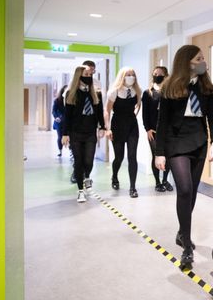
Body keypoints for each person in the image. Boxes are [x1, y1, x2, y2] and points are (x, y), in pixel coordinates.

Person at [155, 45, 213, 267]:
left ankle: (183, 232)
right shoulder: (169, 87)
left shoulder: (206, 87)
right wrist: (159, 153)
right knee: (183, 188)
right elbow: (161, 123)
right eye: (199, 59)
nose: (204, 62)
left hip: (199, 142)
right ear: (186, 62)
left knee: (191, 192)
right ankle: (187, 245)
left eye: (203, 58)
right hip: (175, 143)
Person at [61, 65, 106, 203]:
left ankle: (87, 176)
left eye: (89, 74)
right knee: (79, 162)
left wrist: (102, 127)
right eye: (85, 74)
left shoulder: (96, 93)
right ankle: (81, 191)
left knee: (89, 160)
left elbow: (99, 112)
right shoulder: (71, 93)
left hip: (90, 133)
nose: (88, 77)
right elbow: (67, 116)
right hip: (75, 132)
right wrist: (65, 134)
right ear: (78, 76)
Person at [104, 67, 142, 198]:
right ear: (122, 76)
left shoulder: (137, 91)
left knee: (132, 156)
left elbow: (137, 107)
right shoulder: (114, 92)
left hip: (132, 125)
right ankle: (114, 177)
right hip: (117, 125)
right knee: (119, 157)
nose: (131, 77)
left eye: (133, 74)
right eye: (128, 75)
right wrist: (108, 129)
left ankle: (133, 187)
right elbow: (107, 111)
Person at [142, 66, 174, 192]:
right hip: (153, 131)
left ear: (166, 75)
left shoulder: (170, 91)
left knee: (169, 156)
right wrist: (147, 129)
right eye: (155, 73)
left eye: (160, 74)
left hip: (168, 131)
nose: (157, 75)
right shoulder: (148, 93)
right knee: (157, 155)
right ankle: (157, 182)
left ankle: (165, 180)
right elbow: (145, 113)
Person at [52, 85, 67, 157]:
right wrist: (56, 117)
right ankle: (60, 151)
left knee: (71, 137)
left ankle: (72, 152)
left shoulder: (70, 100)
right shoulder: (57, 100)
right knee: (60, 137)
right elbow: (54, 111)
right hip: (59, 122)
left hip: (68, 121)